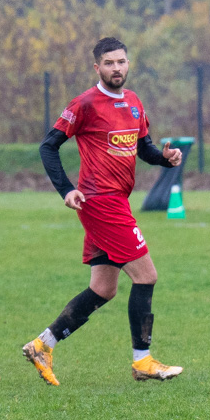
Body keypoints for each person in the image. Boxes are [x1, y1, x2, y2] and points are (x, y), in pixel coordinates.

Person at [22, 37, 184, 386]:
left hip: (116, 202)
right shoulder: (85, 104)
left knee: (103, 289)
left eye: (121, 62)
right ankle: (143, 361)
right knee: (146, 276)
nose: (116, 68)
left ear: (128, 64)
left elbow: (144, 148)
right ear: (97, 67)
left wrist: (165, 159)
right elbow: (48, 146)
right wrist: (66, 190)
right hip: (100, 203)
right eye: (109, 63)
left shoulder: (134, 103)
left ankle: (42, 345)